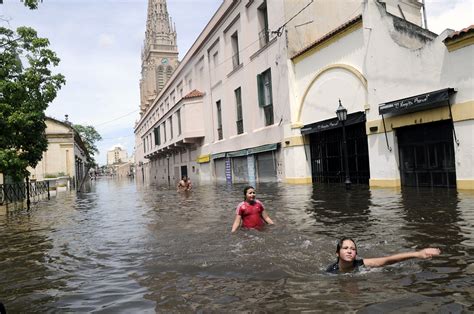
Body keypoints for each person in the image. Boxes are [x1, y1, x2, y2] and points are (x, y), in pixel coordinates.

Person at [326, 237, 441, 274]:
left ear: (356, 254)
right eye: (345, 248)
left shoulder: (361, 264)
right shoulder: (331, 271)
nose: (349, 251)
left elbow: (388, 260)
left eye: (353, 249)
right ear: (337, 253)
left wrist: (418, 254)